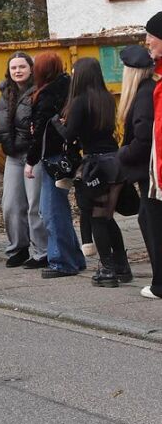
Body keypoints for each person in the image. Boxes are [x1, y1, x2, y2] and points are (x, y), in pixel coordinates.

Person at [65, 58, 128, 287]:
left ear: (80, 75)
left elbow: (69, 135)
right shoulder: (106, 98)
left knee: (97, 218)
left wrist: (57, 124)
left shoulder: (80, 102)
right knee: (108, 216)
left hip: (95, 166)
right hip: (114, 162)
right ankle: (122, 265)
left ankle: (107, 270)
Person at [25, 53, 84, 278]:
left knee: (52, 211)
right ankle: (74, 257)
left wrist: (30, 161)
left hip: (52, 158)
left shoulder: (47, 95)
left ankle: (62, 261)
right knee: (59, 208)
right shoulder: (69, 88)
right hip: (67, 156)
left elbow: (40, 132)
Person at [0, 52, 47, 269]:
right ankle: (18, 247)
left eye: (22, 67)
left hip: (34, 155)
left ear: (31, 68)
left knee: (35, 204)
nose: (17, 71)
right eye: (13, 68)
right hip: (12, 155)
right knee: (11, 204)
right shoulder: (6, 91)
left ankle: (42, 251)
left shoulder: (38, 91)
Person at [115, 43, 159, 299]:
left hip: (148, 171)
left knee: (151, 222)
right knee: (147, 219)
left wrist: (121, 155)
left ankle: (159, 284)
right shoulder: (149, 89)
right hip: (148, 169)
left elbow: (142, 139)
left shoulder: (143, 94)